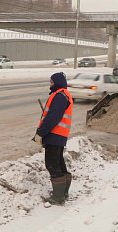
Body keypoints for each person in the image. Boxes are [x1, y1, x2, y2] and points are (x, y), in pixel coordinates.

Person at [33, 72, 73, 205]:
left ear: (57, 82)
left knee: (52, 164)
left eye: (51, 82)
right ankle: (63, 193)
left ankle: (58, 197)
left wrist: (40, 133)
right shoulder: (63, 95)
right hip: (59, 135)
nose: (50, 84)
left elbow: (52, 118)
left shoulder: (60, 96)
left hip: (54, 135)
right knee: (59, 162)